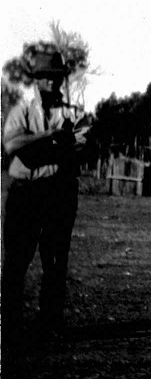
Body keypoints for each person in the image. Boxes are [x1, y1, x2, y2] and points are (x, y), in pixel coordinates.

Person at [2, 49, 92, 341]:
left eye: (55, 78)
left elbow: (81, 147)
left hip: (58, 192)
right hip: (26, 194)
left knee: (55, 261)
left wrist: (38, 147)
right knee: (16, 261)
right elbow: (12, 146)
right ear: (36, 80)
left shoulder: (73, 112)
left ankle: (50, 324)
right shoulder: (23, 110)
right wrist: (50, 137)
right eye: (44, 78)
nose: (51, 83)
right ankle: (10, 327)